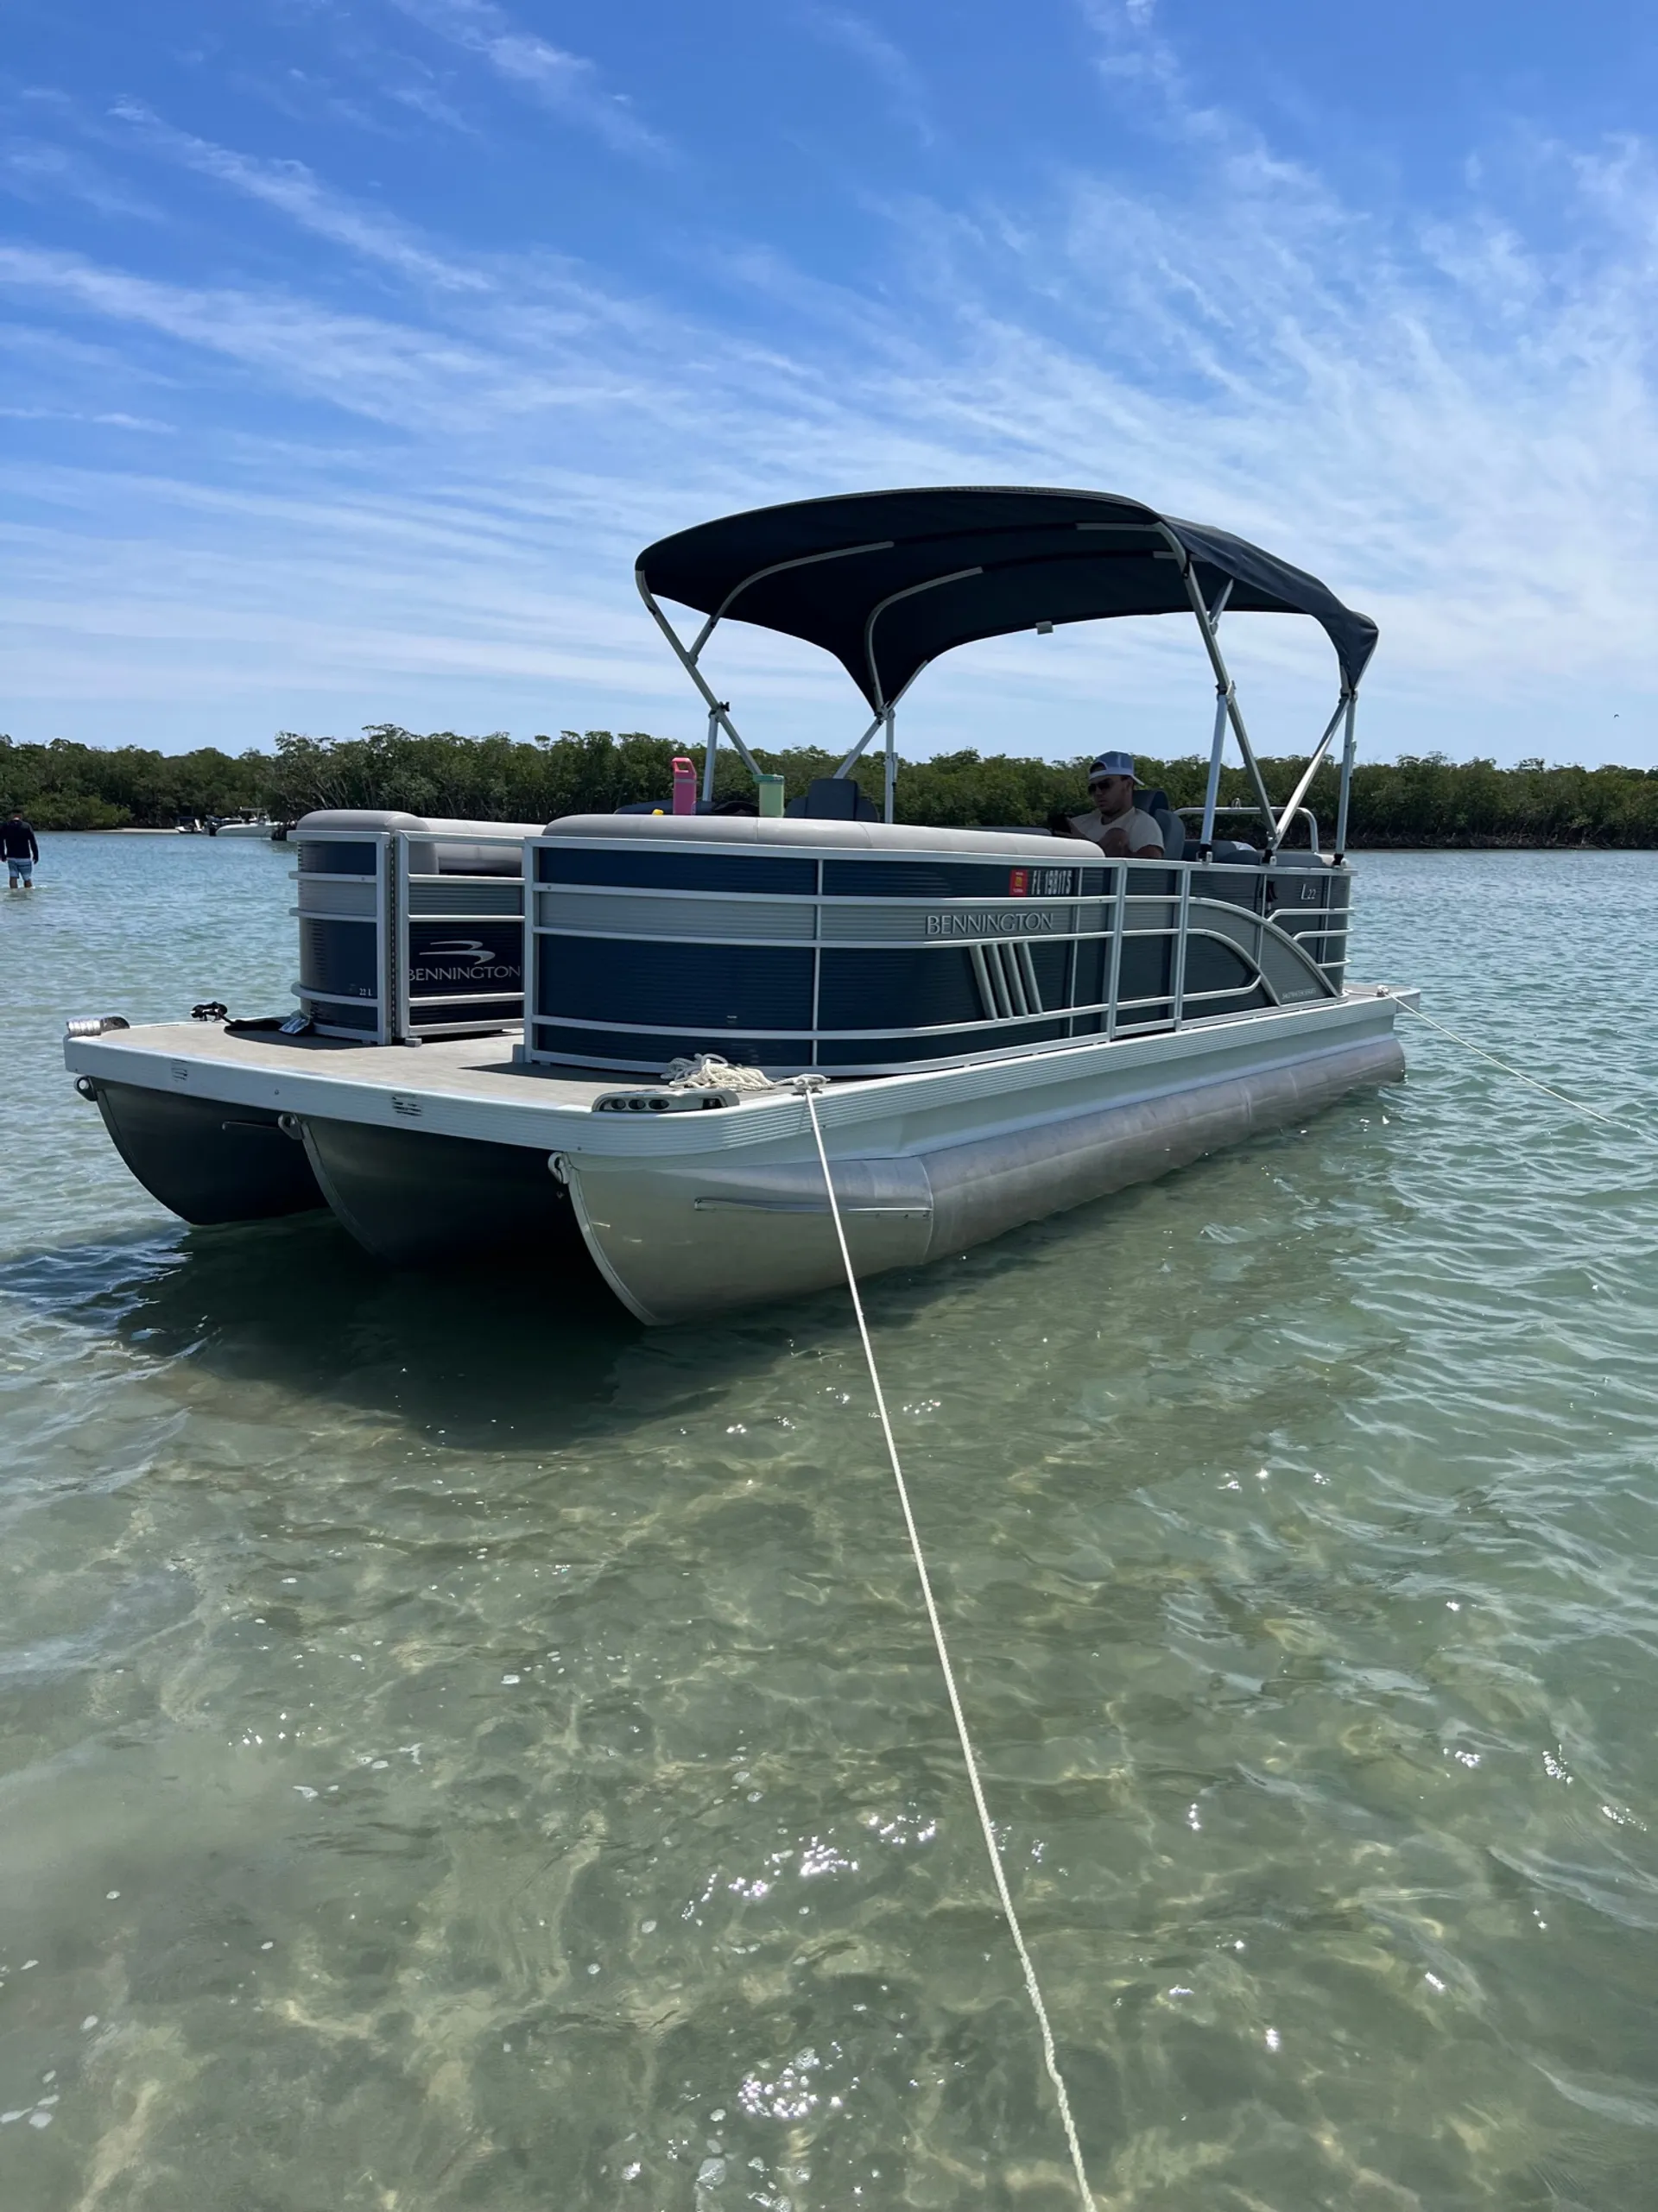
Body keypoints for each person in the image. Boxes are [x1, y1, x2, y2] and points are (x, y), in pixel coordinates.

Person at [1051, 751, 1165, 857]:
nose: (1098, 793)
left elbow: (1151, 872)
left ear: (1128, 785)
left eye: (1105, 785)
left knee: (1116, 836)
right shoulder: (1078, 824)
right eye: (1092, 788)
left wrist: (1087, 846)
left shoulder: (1144, 825)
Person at [3, 809, 39, 891]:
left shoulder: (6, 826)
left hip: (11, 856)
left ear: (12, 815)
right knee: (27, 878)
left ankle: (13, 894)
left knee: (13, 877)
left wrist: (2, 854)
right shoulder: (26, 826)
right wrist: (36, 855)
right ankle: (28, 895)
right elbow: (33, 841)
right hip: (24, 857)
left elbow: (1, 841)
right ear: (21, 816)